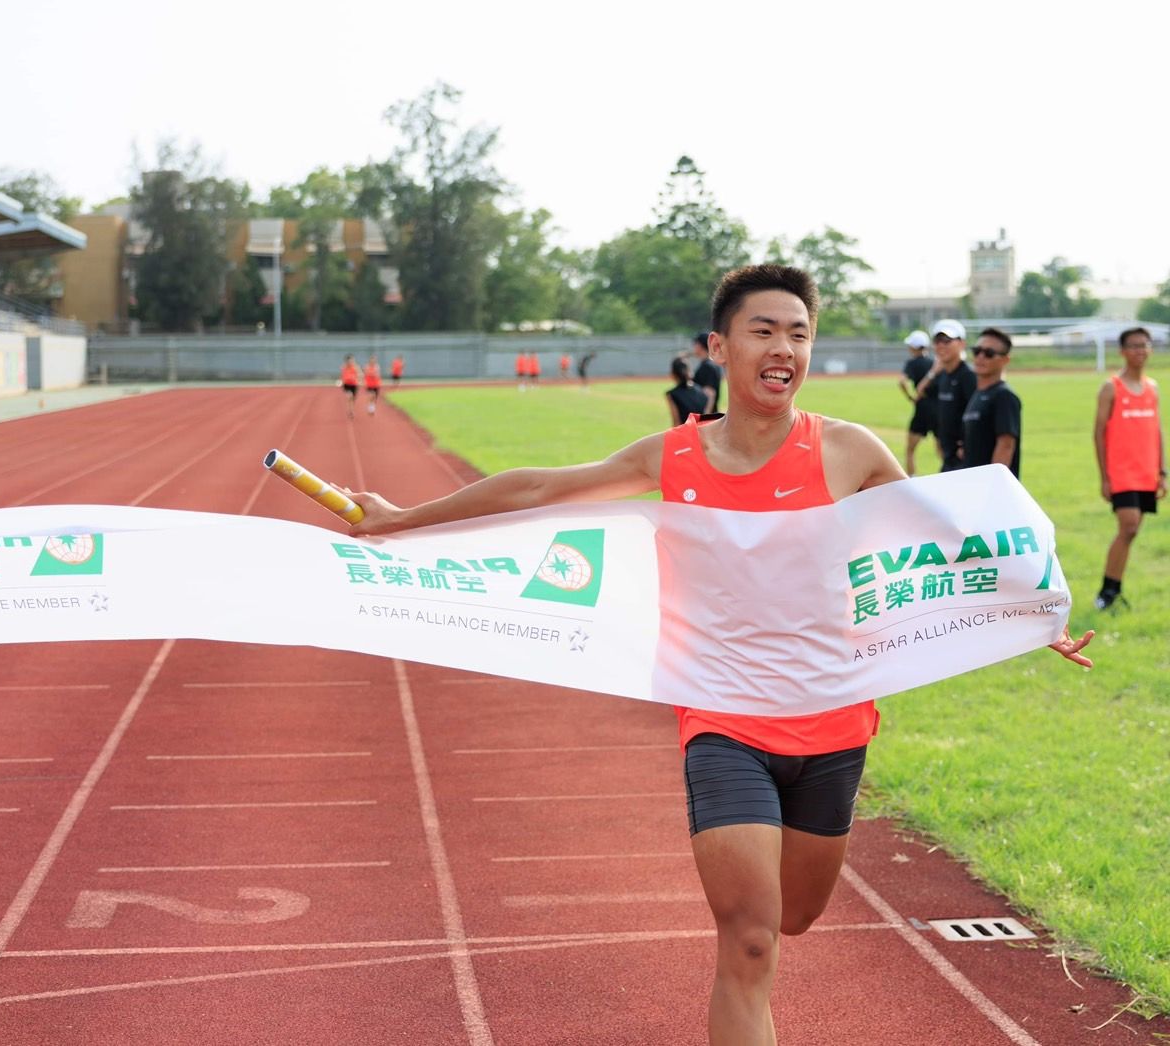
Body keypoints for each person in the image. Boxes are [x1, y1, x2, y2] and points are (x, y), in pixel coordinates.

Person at [339, 264, 1094, 1045]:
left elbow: (943, 544)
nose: (784, 348)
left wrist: (1035, 612)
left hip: (834, 723)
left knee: (794, 916)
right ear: (719, 347)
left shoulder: (849, 452)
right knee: (752, 937)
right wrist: (404, 519)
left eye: (798, 334)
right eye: (764, 331)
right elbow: (539, 490)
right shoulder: (674, 458)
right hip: (724, 722)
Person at [1093, 327, 1166, 610]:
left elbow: (1156, 430)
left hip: (1147, 472)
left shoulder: (1153, 387)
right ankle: (1105, 593)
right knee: (1129, 526)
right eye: (1133, 346)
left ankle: (1114, 589)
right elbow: (1098, 432)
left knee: (1132, 532)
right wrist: (1104, 477)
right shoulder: (1111, 387)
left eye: (1144, 345)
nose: (1140, 350)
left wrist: (1162, 471)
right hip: (1121, 473)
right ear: (1122, 351)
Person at [916, 319, 977, 472]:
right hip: (947, 454)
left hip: (964, 457)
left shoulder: (968, 376)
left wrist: (966, 445)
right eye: (937, 341)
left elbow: (977, 415)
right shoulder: (942, 375)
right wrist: (933, 372)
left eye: (947, 341)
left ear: (962, 343)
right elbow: (920, 391)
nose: (941, 346)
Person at [959, 327, 1021, 477]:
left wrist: (992, 485)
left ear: (1005, 360)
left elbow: (1006, 445)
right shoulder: (978, 394)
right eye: (977, 351)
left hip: (991, 490)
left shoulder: (1003, 396)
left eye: (989, 353)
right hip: (974, 485)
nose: (980, 357)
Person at [897, 330, 935, 476]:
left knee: (910, 449)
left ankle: (912, 478)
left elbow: (901, 381)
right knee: (942, 448)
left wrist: (910, 397)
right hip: (939, 408)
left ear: (914, 347)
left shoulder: (912, 363)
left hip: (922, 407)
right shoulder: (934, 363)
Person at [667, 356, 705, 425]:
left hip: (686, 433)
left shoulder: (672, 394)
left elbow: (676, 422)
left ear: (673, 374)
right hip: (703, 431)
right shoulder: (701, 390)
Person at [692, 331, 724, 413]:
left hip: (707, 414)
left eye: (695, 344)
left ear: (700, 345)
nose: (693, 347)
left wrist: (705, 415)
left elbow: (710, 393)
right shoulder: (713, 364)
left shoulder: (707, 367)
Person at [338, 355, 360, 420]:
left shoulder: (356, 367)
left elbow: (359, 374)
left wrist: (359, 379)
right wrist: (341, 382)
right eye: (349, 361)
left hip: (354, 385)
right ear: (346, 361)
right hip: (347, 385)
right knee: (349, 396)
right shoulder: (344, 368)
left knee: (353, 399)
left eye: (352, 361)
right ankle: (351, 411)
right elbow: (341, 375)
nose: (350, 362)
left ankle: (351, 409)